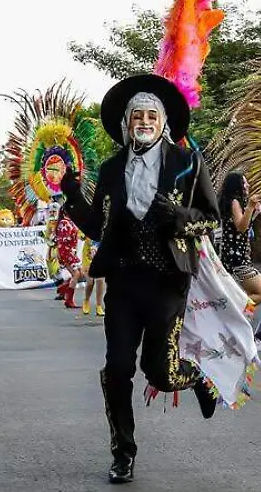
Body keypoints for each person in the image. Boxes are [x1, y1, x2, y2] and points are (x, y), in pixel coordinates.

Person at [61, 73, 220, 484]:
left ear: (163, 121)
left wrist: (179, 218)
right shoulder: (113, 168)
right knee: (116, 368)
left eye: (151, 115)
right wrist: (72, 195)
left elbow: (211, 219)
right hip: (124, 282)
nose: (144, 122)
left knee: (162, 373)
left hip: (168, 282)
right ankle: (123, 452)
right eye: (137, 116)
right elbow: (97, 226)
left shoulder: (188, 163)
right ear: (126, 123)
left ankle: (199, 376)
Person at [218, 171, 261, 305]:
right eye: (244, 182)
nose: (248, 185)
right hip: (237, 260)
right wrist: (250, 207)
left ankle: (235, 310)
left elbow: (242, 227)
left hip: (238, 257)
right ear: (237, 186)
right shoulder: (234, 202)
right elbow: (241, 227)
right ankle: (234, 310)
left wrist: (254, 212)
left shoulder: (235, 202)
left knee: (259, 292)